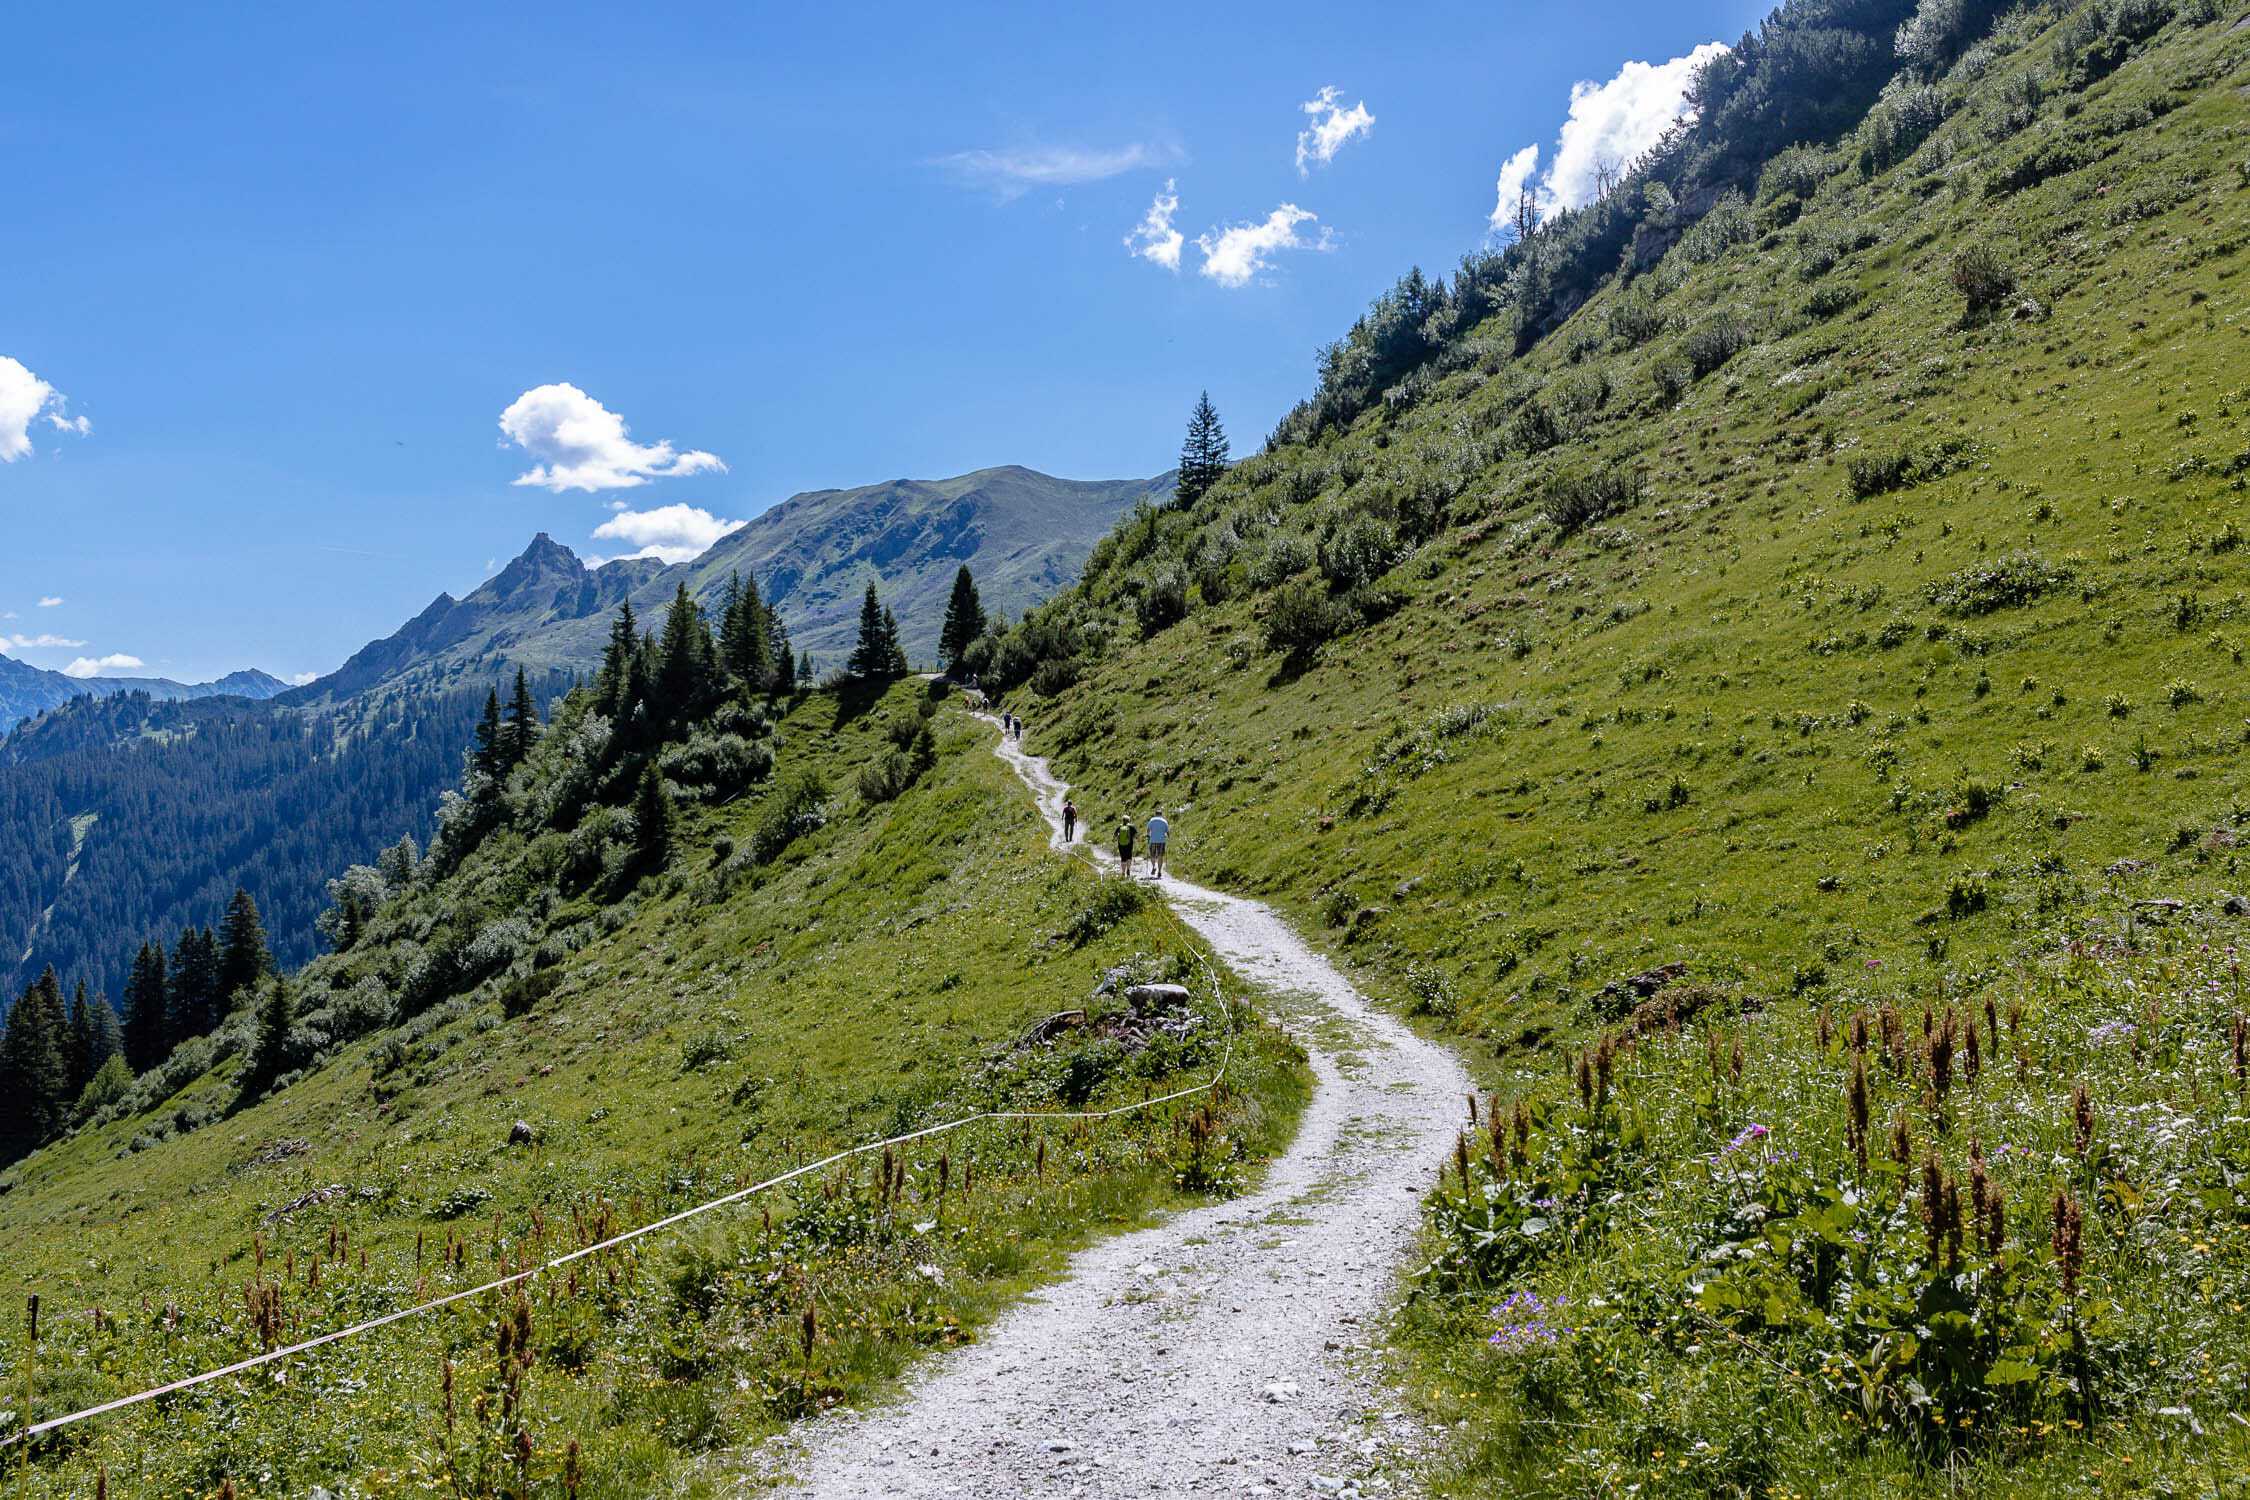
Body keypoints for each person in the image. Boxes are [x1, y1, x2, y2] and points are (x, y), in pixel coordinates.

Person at [1146, 809, 1170, 879]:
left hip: (1152, 840)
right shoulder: (1164, 821)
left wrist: (1148, 836)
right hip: (1162, 841)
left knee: (1152, 855)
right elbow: (1167, 831)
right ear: (1161, 814)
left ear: (1155, 814)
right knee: (1160, 856)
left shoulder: (1152, 820)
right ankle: (1159, 871)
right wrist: (1168, 837)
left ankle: (1154, 866)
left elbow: (1148, 830)